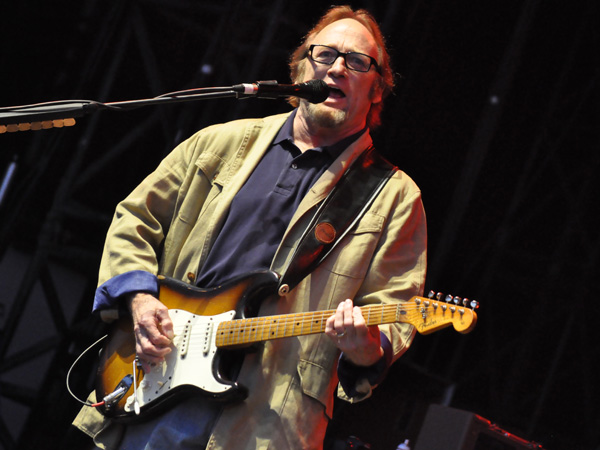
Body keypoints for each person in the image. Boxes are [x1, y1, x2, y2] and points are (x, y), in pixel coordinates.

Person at [73, 5, 427, 449]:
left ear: (376, 90)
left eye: (358, 61)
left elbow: (395, 309)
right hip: (156, 382)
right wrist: (141, 301)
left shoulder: (395, 196)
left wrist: (366, 348)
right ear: (300, 69)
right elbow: (136, 218)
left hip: (269, 424)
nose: (338, 68)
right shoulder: (220, 142)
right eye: (325, 55)